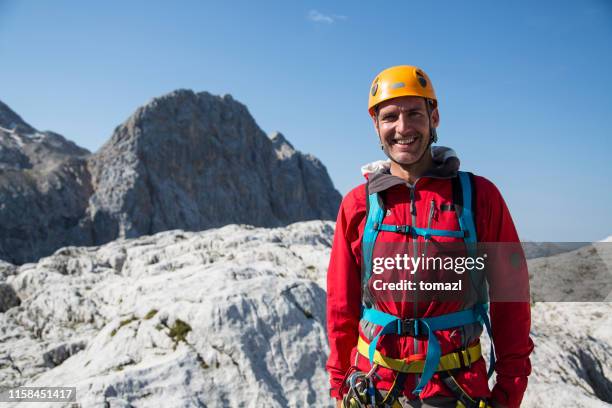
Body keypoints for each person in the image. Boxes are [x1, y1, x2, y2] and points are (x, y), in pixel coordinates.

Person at [326, 65, 533, 408]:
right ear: (376, 125)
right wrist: (338, 387)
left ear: (434, 117)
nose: (403, 128)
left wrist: (509, 391)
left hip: (455, 389)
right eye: (390, 116)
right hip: (375, 387)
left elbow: (511, 298)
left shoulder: (480, 197)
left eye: (414, 114)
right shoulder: (358, 205)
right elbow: (340, 307)